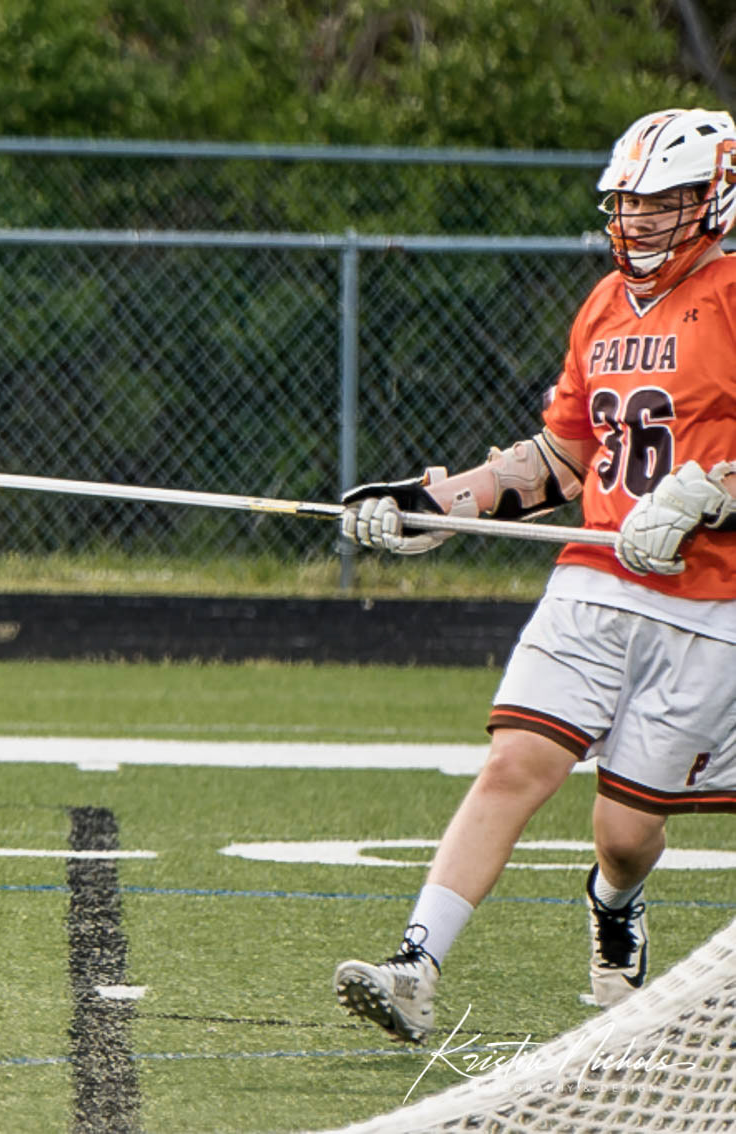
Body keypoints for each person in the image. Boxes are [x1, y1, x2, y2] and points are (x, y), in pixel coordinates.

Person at [331, 107, 736, 1044]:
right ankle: (415, 966)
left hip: (707, 604)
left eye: (664, 202)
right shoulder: (603, 304)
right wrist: (440, 503)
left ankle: (615, 902)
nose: (640, 221)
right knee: (517, 761)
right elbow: (562, 458)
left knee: (627, 835)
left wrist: (710, 497)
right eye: (629, 203)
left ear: (715, 199)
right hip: (595, 578)